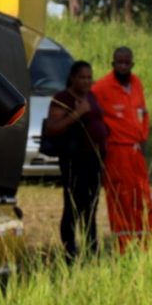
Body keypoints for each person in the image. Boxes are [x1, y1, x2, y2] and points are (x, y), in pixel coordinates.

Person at [91, 46, 152, 253]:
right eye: (119, 62)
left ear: (132, 64)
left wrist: (144, 138)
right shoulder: (102, 87)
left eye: (127, 62)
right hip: (117, 152)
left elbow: (142, 112)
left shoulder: (136, 83)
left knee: (143, 198)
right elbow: (91, 114)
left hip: (136, 152)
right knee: (121, 199)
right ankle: (124, 247)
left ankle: (144, 243)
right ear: (113, 64)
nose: (123, 66)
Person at [44, 60, 107, 262]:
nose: (87, 81)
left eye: (89, 77)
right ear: (72, 77)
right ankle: (69, 251)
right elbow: (53, 128)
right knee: (73, 206)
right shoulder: (62, 98)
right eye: (82, 77)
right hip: (74, 159)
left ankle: (91, 248)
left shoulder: (91, 97)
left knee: (92, 206)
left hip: (94, 159)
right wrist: (77, 114)